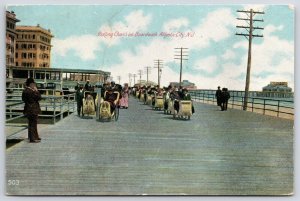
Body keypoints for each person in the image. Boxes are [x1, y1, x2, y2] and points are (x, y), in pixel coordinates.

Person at [22, 78, 42, 143]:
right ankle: (32, 139)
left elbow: (23, 99)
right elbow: (39, 98)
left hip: (28, 109)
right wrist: (36, 91)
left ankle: (35, 136)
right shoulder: (31, 91)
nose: (34, 85)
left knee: (33, 123)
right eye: (33, 84)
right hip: (33, 109)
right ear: (31, 84)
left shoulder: (25, 91)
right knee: (33, 124)